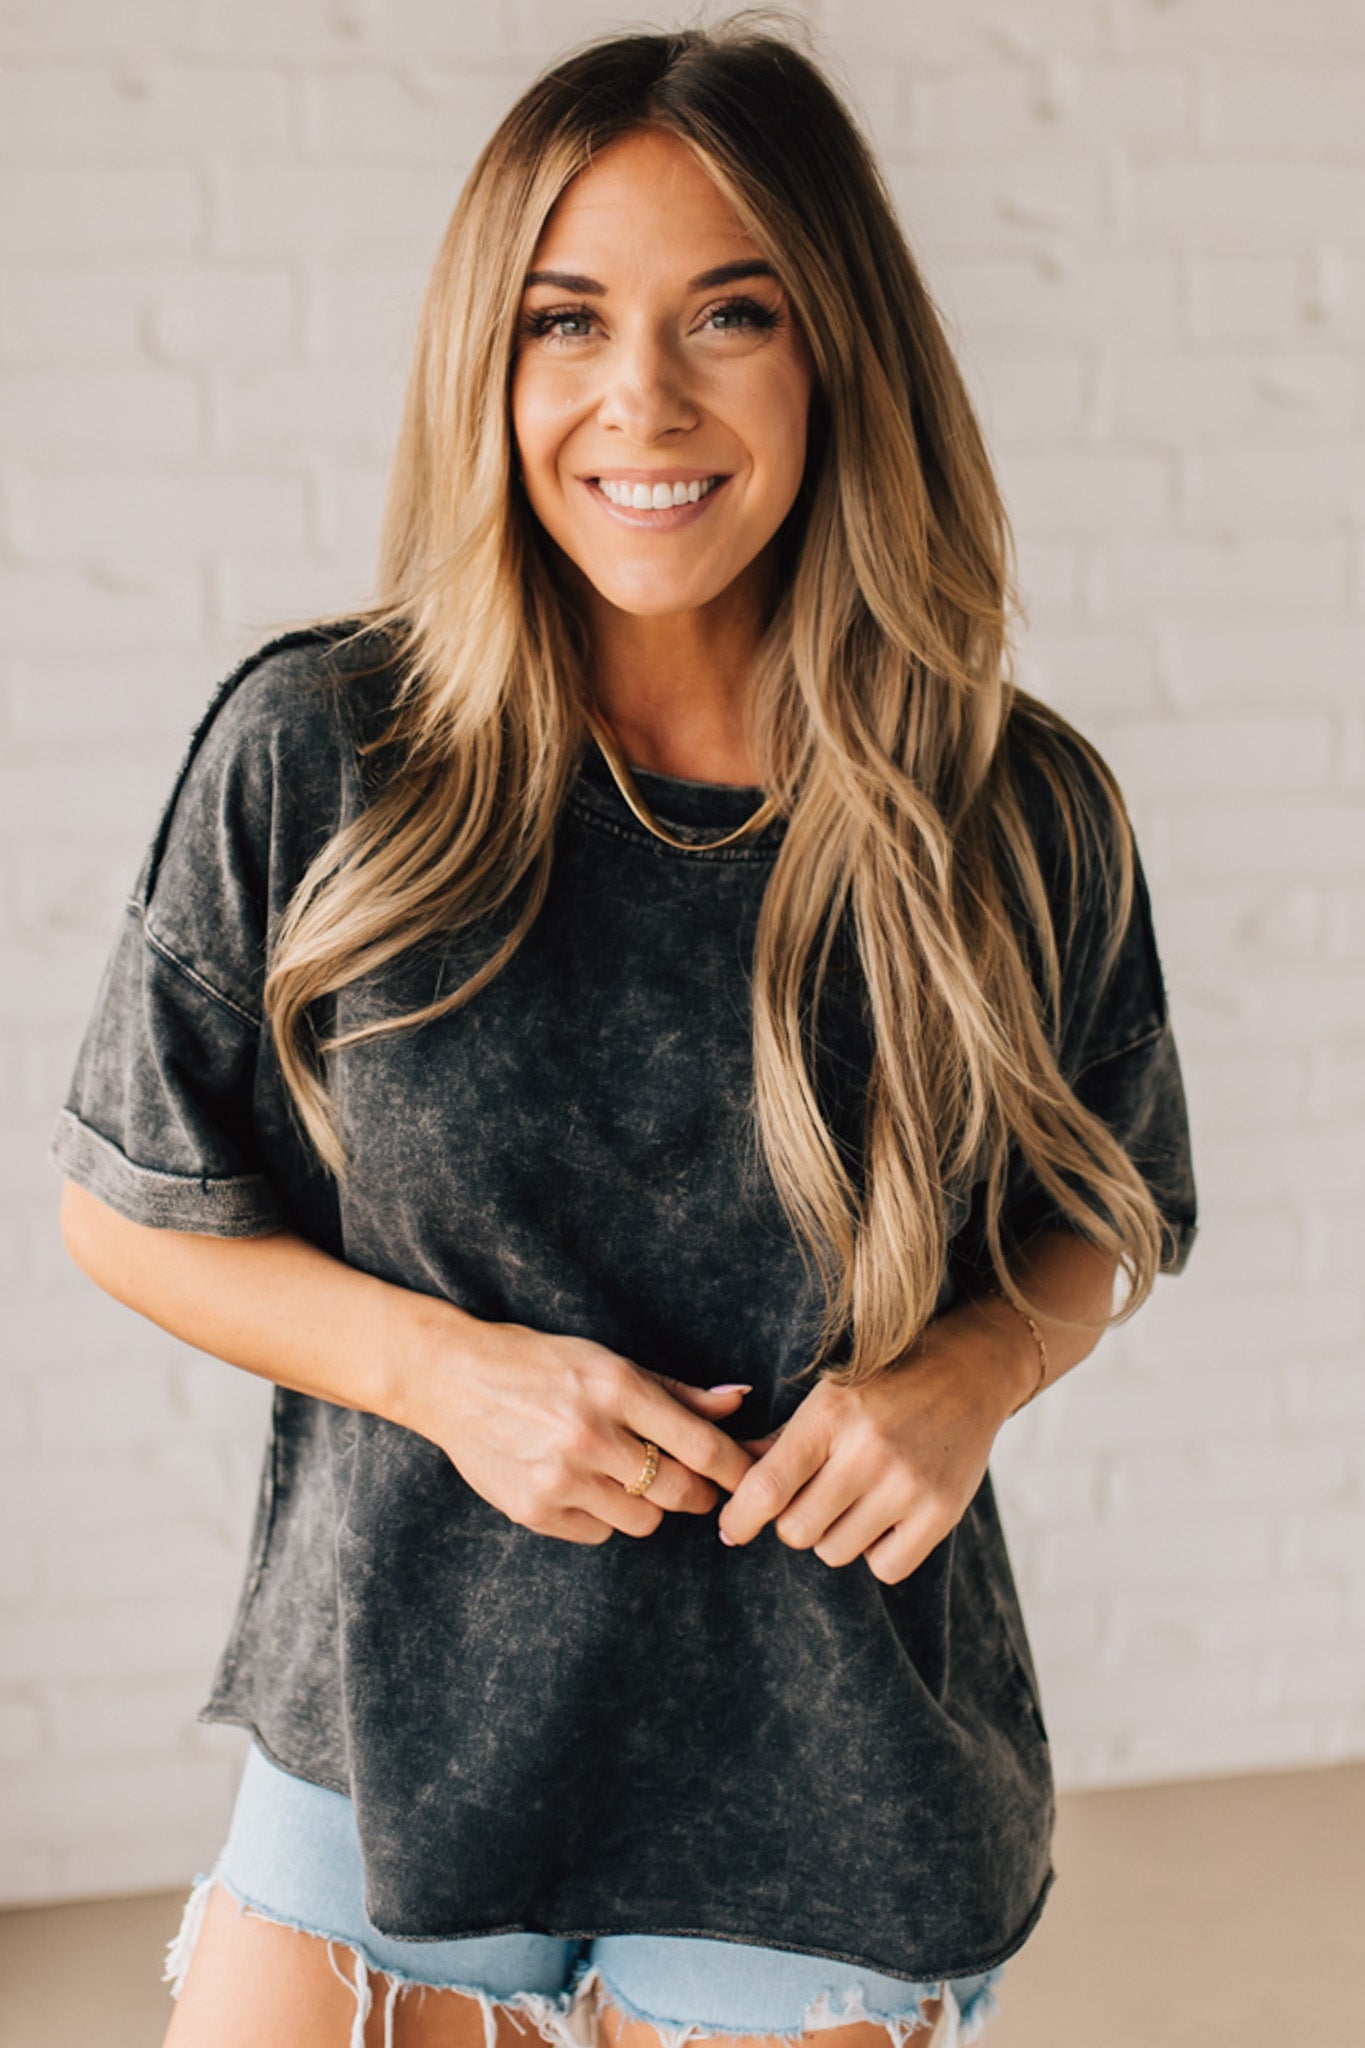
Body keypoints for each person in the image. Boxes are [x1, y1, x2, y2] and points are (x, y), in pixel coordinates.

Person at [51, 20, 1197, 2048]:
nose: (636, 401)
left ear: (835, 349)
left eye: (725, 317)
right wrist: (450, 1377)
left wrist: (960, 1380)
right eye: (564, 322)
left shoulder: (1009, 807)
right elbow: (127, 1203)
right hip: (389, 1744)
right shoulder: (319, 755)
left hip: (826, 1776)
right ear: (485, 369)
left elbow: (1105, 1201)